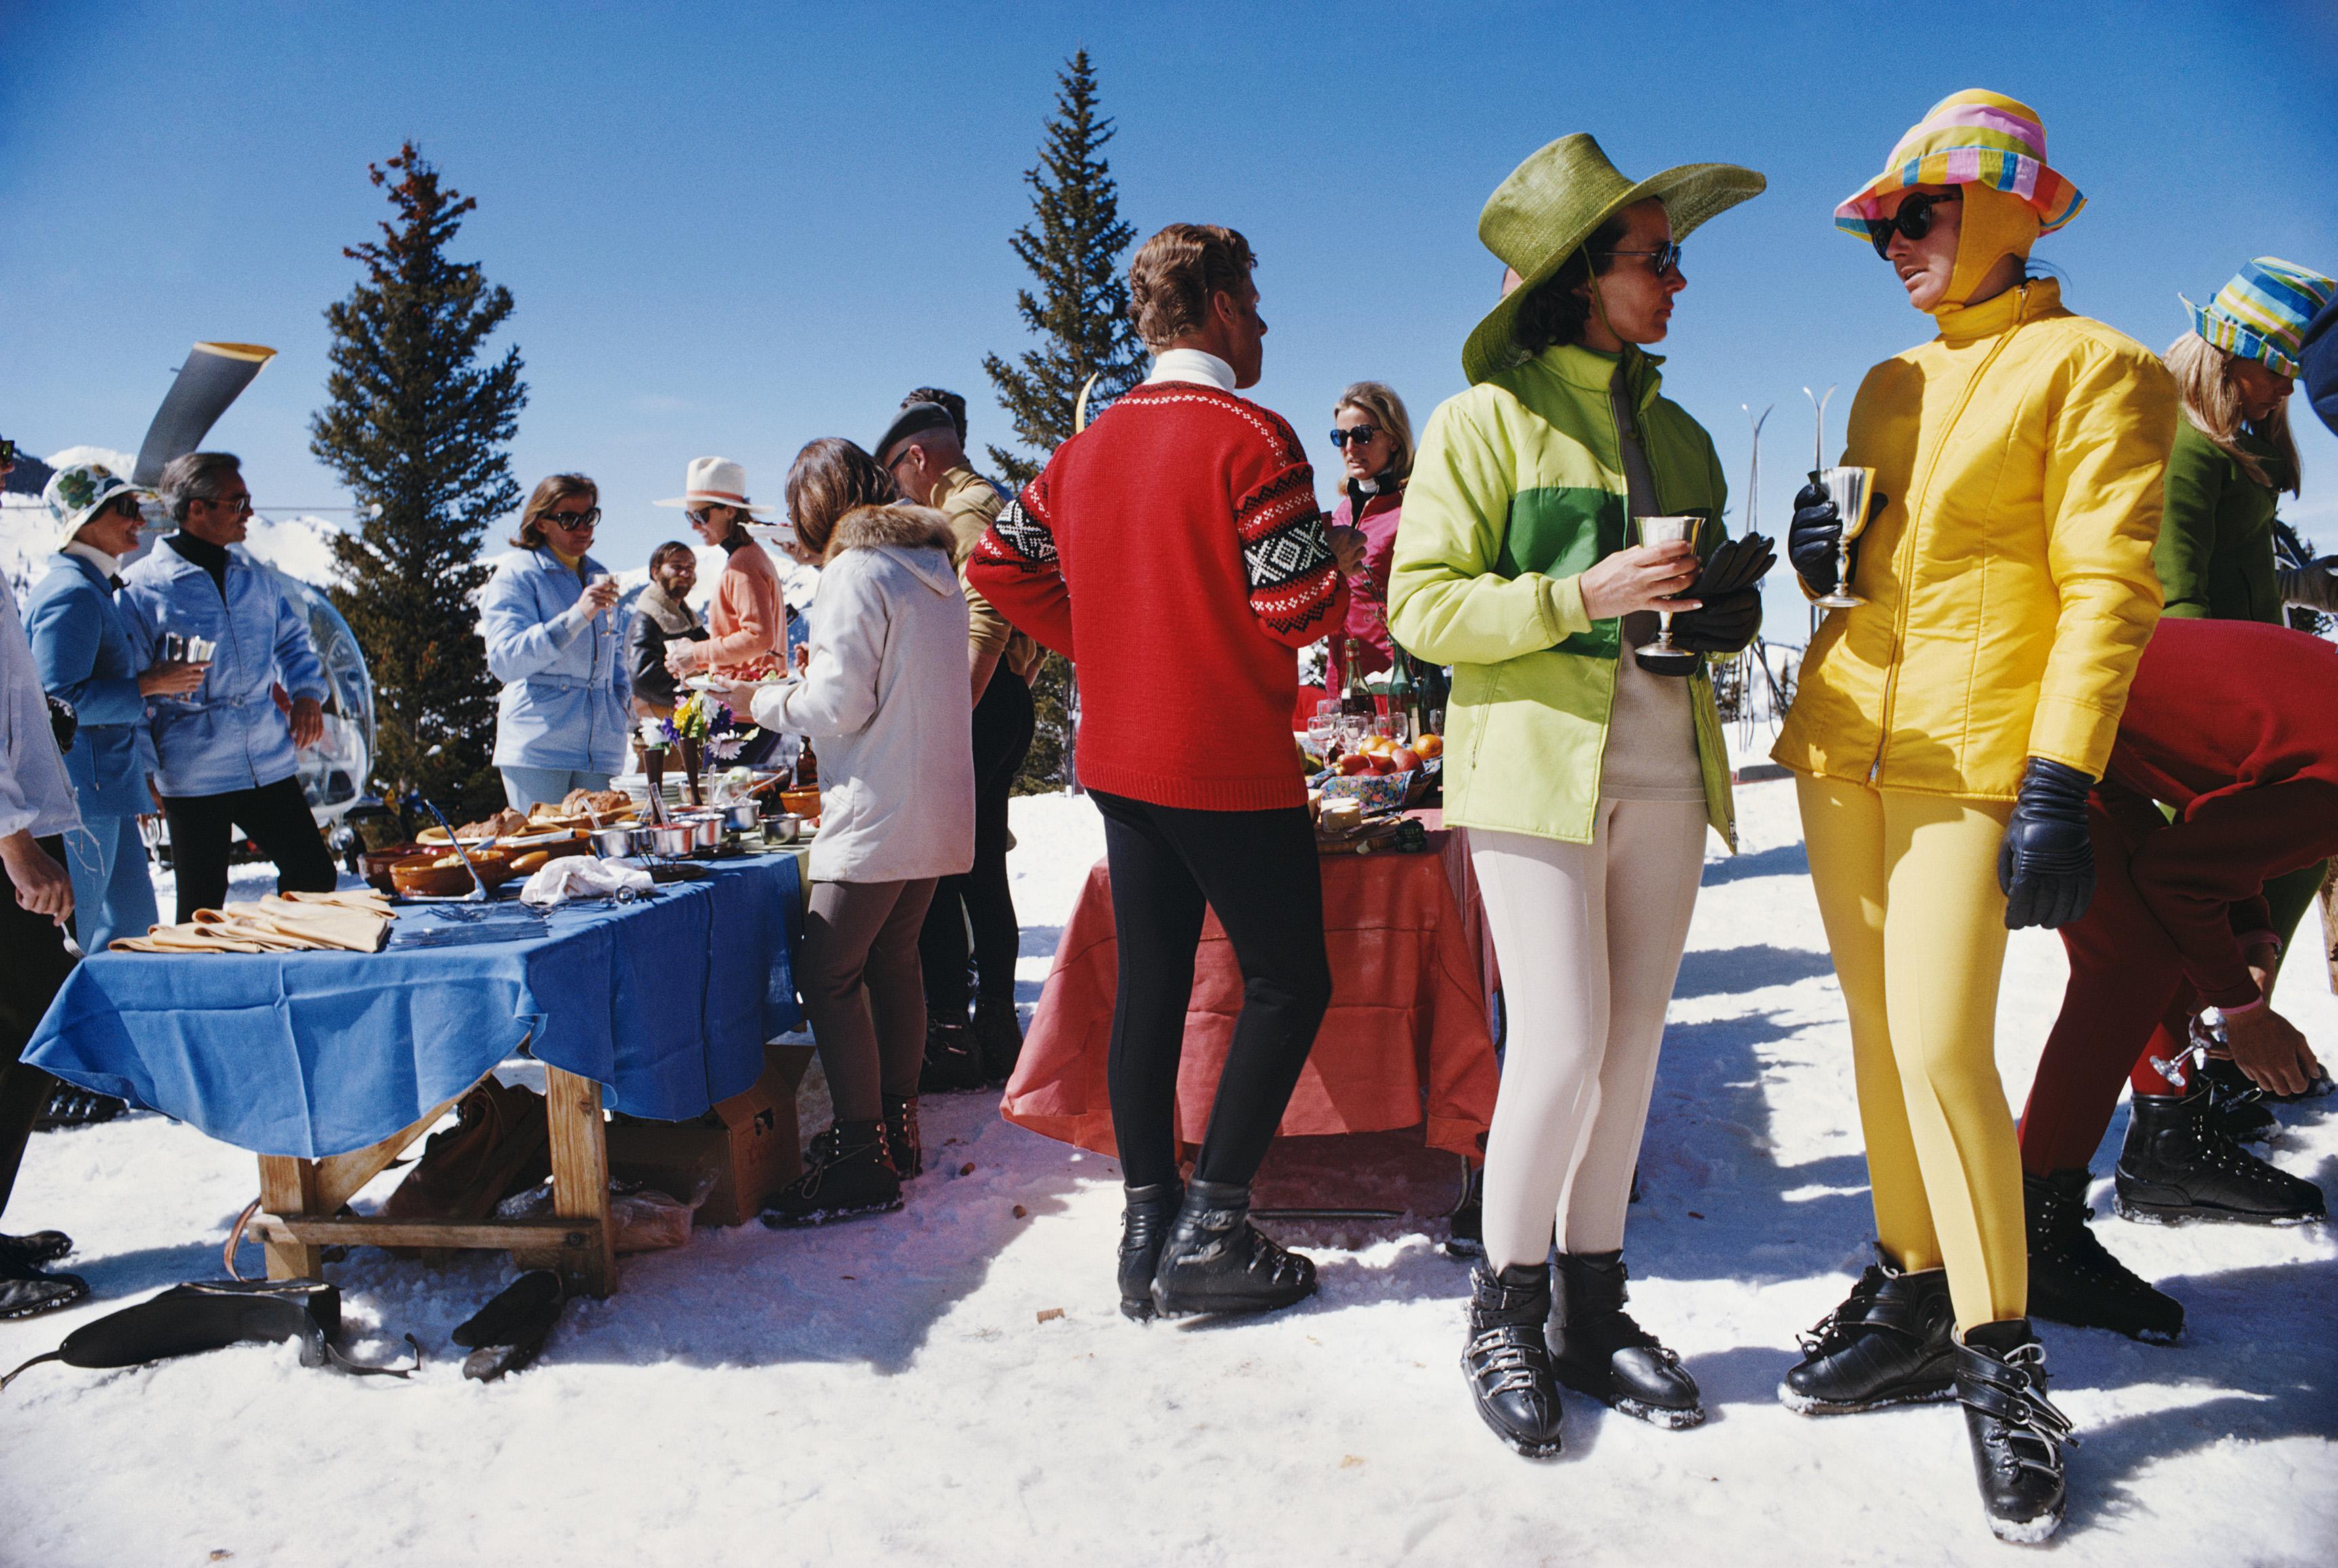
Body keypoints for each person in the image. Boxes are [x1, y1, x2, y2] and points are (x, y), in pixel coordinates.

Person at [1768, 91, 2175, 1542]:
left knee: (1943, 1040)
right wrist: (1826, 556)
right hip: (1842, 745)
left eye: (1917, 213)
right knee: (1878, 1034)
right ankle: (1914, 1280)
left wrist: (2064, 770)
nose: (1894, 241)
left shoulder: (2101, 369)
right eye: (1882, 223)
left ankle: (2002, 1357)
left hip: (1979, 755)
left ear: (2003, 208)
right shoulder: (1887, 382)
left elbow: (2109, 592)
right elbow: (1875, 573)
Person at [1387, 135, 1765, 1455]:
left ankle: (1591, 1306)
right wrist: (1576, 595)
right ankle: (1506, 1303)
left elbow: (1714, 616)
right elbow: (1419, 603)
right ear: (1579, 276)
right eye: (1655, 260)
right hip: (1535, 772)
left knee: (1632, 1046)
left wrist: (1734, 603)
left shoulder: (1684, 432)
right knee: (1557, 1038)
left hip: (1669, 767)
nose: (1677, 281)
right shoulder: (1483, 422)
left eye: (1677, 258)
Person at [970, 222, 1359, 1323]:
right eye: (1258, 299)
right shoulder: (1254, 434)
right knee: (1291, 981)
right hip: (1226, 753)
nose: (1267, 323)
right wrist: (1327, 576)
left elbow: (997, 562)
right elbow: (1298, 609)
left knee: (1153, 981)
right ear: (1225, 305)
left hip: (1122, 755)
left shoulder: (1084, 448)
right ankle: (1215, 1224)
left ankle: (1151, 1219)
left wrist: (1107, 636)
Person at [2015, 618, 2332, 1345]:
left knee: (2152, 953)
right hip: (2044, 720)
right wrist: (2245, 1012)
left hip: (2082, 718)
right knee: (2129, 963)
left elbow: (2216, 800)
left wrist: (2249, 940)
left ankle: (2165, 1145)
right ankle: (2033, 1239)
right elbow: (2178, 872)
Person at [740, 461, 973, 1226]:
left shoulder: (854, 569)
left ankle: (858, 1153)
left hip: (878, 802)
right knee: (891, 959)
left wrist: (758, 700)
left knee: (827, 970)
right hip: (935, 800)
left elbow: (839, 703)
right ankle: (894, 1135)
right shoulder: (930, 564)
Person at [2147, 257, 2337, 1134]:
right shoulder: (2186, 445)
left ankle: (2223, 1044)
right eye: (2277, 364)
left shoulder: (2247, 446)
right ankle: (2201, 1065)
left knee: (2286, 867)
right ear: (2229, 355)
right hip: (2211, 714)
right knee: (2222, 887)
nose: (2287, 384)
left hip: (2257, 700)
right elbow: (2178, 600)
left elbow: (2259, 583)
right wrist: (2207, 739)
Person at [876, 397, 1044, 1089]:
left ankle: (957, 1036)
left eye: (896, 474)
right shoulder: (992, 498)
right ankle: (995, 1029)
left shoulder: (967, 506)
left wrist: (955, 708)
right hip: (997, 700)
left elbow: (987, 612)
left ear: (917, 457)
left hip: (973, 703)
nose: (896, 490)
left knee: (944, 871)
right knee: (978, 870)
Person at [117, 453, 337, 922]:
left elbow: (295, 644)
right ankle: (205, 994)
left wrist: (306, 695)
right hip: (193, 773)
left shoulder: (256, 581)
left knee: (314, 877)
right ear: (197, 509)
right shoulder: (142, 591)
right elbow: (130, 690)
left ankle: (294, 973)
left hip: (267, 761)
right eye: (238, 503)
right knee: (201, 906)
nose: (250, 514)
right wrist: (144, 769)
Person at [26, 465, 201, 951]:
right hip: (82, 796)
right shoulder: (73, 595)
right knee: (80, 939)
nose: (139, 521)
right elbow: (56, 702)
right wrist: (147, 685)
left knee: (132, 934)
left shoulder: (89, 588)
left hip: (103, 793)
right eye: (125, 508)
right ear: (82, 521)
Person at [1, 544, 91, 1318]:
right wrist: (12, 837)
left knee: (28, 1032)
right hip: (6, 836)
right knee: (17, 1030)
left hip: (20, 821)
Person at [479, 474, 631, 812]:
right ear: (541, 523)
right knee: (547, 853)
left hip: (600, 749)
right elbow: (505, 661)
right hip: (540, 747)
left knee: (600, 857)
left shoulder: (597, 573)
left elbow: (614, 652)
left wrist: (620, 704)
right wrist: (577, 616)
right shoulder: (517, 575)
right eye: (569, 519)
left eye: (589, 517)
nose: (583, 528)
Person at [658, 457, 785, 684]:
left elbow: (759, 638)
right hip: (750, 700)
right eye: (690, 516)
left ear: (729, 511)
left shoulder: (744, 564)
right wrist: (693, 659)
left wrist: (697, 653)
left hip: (746, 706)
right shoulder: (749, 556)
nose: (694, 526)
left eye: (700, 515)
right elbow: (749, 647)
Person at [1325, 381, 1415, 682]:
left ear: (1393, 438)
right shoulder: (1340, 514)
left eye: (1362, 435)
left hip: (1396, 679)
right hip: (1342, 677)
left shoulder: (1414, 509)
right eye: (1341, 437)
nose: (1350, 448)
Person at [628, 539, 708, 806]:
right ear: (655, 572)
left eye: (690, 567)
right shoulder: (647, 618)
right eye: (677, 567)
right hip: (661, 730)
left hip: (682, 725)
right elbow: (643, 677)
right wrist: (692, 692)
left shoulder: (687, 618)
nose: (685, 573)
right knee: (661, 802)